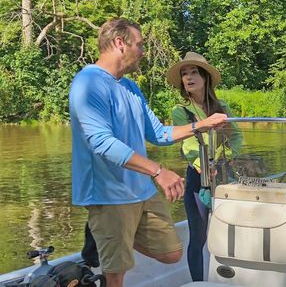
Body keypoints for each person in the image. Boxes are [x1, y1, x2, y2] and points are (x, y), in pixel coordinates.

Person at [69, 18, 228, 287]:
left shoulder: (130, 88)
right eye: (140, 45)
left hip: (141, 191)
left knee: (172, 253)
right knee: (116, 274)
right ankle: (105, 234)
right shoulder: (88, 84)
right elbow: (101, 142)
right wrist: (158, 170)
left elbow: (158, 134)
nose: (144, 51)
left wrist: (201, 125)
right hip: (109, 196)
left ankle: (106, 236)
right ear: (120, 43)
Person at [166, 51, 243, 282]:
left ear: (205, 77)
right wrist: (203, 164)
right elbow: (188, 146)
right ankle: (199, 284)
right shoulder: (181, 111)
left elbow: (237, 138)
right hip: (197, 180)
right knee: (198, 237)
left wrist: (226, 156)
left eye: (193, 72)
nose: (188, 77)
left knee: (229, 233)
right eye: (184, 74)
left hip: (224, 176)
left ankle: (230, 281)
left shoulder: (222, 108)